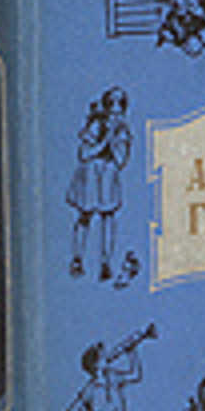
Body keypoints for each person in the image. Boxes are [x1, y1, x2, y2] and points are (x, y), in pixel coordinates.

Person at [66, 87, 132, 281]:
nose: (115, 109)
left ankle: (105, 262)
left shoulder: (122, 130)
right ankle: (77, 259)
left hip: (108, 175)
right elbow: (84, 154)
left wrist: (115, 140)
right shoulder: (96, 124)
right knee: (85, 215)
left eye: (120, 104)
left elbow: (121, 161)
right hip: (91, 174)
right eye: (112, 103)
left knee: (108, 217)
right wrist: (105, 141)